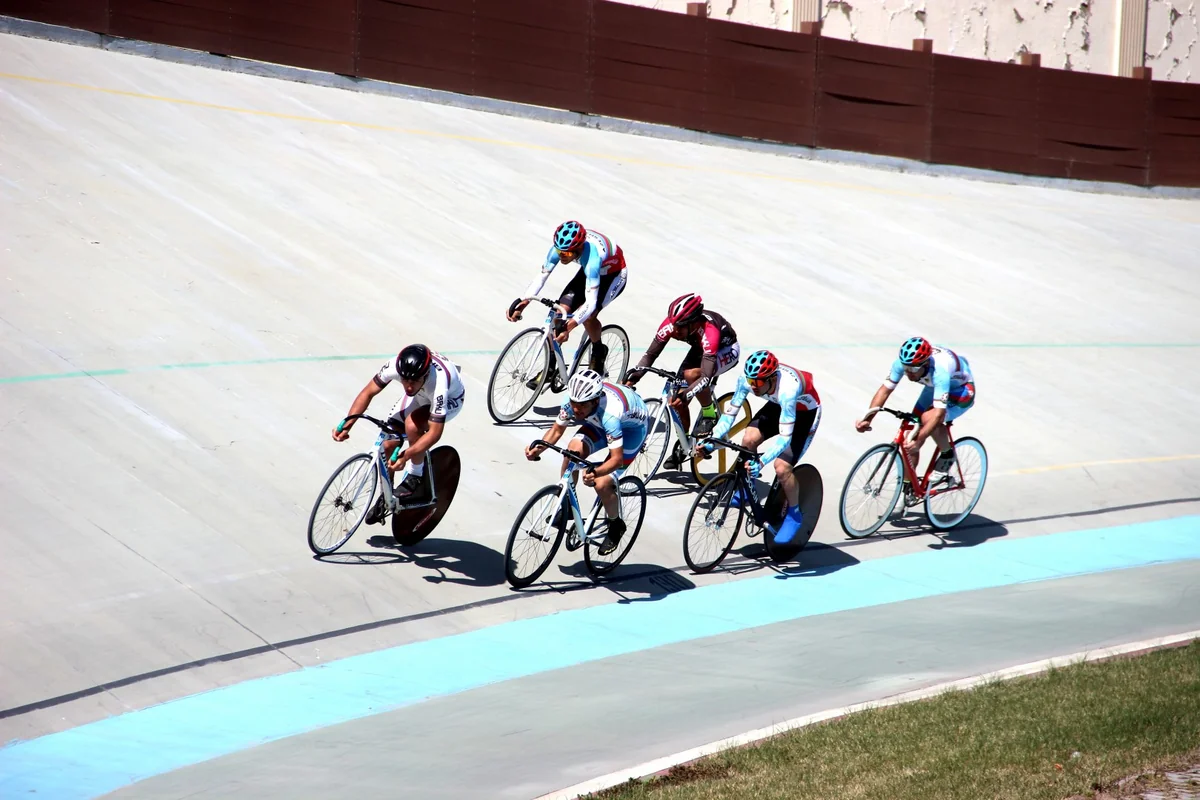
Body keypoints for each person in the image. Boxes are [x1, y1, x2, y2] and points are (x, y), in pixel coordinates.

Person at [695, 350, 821, 545]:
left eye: (758, 383)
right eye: (751, 381)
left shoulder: (787, 390)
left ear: (771, 379)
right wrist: (713, 440)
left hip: (804, 414)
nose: (753, 386)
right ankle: (748, 488)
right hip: (777, 404)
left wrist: (761, 462)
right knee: (749, 438)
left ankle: (794, 514)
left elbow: (785, 439)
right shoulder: (749, 381)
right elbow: (729, 416)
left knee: (782, 467)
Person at [333, 344, 465, 522]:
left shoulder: (439, 383)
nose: (408, 386)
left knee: (412, 425)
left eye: (413, 381)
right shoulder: (395, 365)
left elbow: (435, 433)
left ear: (425, 375)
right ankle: (386, 496)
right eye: (405, 381)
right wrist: (348, 424)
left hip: (450, 400)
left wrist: (406, 456)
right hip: (422, 395)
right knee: (389, 442)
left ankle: (415, 475)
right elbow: (368, 392)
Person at [524, 369, 649, 555]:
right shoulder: (573, 401)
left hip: (631, 431)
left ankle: (616, 525)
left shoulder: (610, 415)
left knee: (603, 483)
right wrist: (538, 448)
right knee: (571, 453)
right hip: (597, 423)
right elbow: (556, 431)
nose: (576, 409)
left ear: (595, 400)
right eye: (574, 403)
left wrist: (596, 472)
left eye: (581, 405)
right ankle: (566, 505)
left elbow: (616, 459)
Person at [625, 293, 740, 469]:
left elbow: (705, 377)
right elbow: (650, 354)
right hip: (699, 347)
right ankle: (684, 443)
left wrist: (687, 394)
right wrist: (634, 377)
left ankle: (710, 413)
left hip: (726, 350)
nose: (675, 331)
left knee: (691, 377)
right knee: (676, 399)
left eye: (680, 327)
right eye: (674, 325)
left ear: (693, 323)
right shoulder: (672, 325)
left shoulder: (710, 331)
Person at [506, 220, 628, 379]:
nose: (562, 256)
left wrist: (569, 327)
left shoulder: (593, 260)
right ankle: (549, 369)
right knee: (558, 312)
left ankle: (598, 351)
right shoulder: (560, 250)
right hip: (588, 272)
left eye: (568, 254)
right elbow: (541, 277)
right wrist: (523, 302)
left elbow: (590, 303)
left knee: (589, 316)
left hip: (613, 275)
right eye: (560, 252)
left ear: (579, 248)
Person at [855, 336, 975, 481]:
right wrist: (868, 419)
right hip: (933, 386)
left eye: (913, 368)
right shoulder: (902, 364)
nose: (909, 373)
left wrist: (920, 440)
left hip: (961, 391)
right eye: (906, 368)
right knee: (909, 439)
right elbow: (884, 391)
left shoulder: (939, 373)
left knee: (927, 420)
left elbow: (938, 414)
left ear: (925, 364)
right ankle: (907, 486)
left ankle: (947, 454)